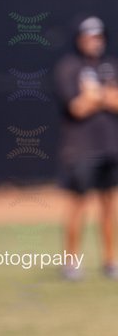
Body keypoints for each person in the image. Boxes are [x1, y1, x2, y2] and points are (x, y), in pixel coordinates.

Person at [54, 16, 118, 280]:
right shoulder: (69, 68)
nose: (95, 42)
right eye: (90, 37)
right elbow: (77, 108)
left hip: (109, 147)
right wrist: (104, 96)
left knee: (109, 206)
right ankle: (71, 263)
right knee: (78, 205)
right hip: (80, 148)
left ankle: (110, 261)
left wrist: (96, 95)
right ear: (80, 39)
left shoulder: (110, 66)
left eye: (98, 37)